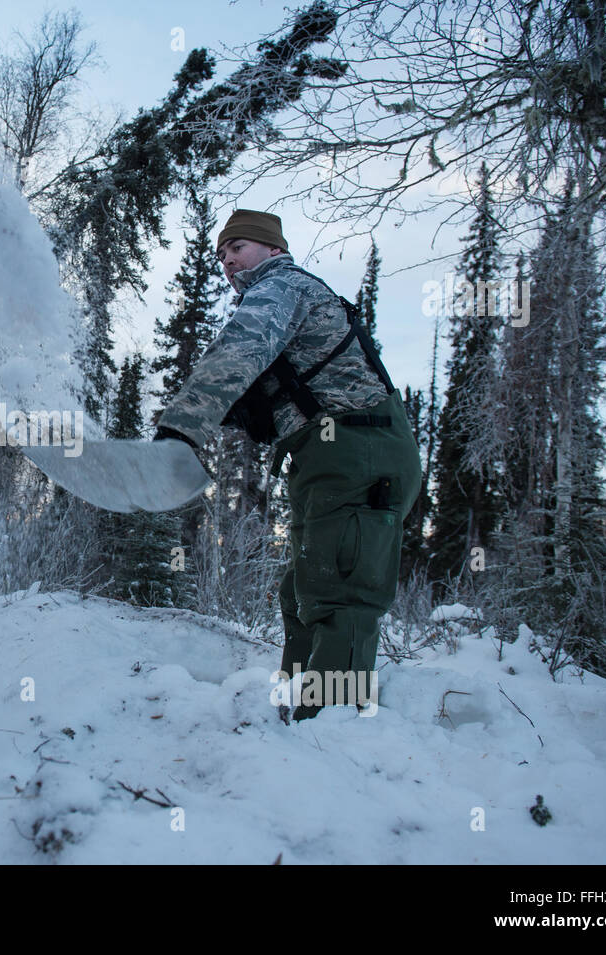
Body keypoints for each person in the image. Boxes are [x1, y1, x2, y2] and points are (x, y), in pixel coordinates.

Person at [154, 209, 421, 722]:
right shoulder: (277, 300)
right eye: (222, 255)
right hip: (324, 455)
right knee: (303, 589)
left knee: (339, 589)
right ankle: (298, 717)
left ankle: (334, 730)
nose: (228, 261)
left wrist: (181, 428)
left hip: (361, 451)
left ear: (273, 249)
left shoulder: (283, 286)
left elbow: (237, 351)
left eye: (238, 247)